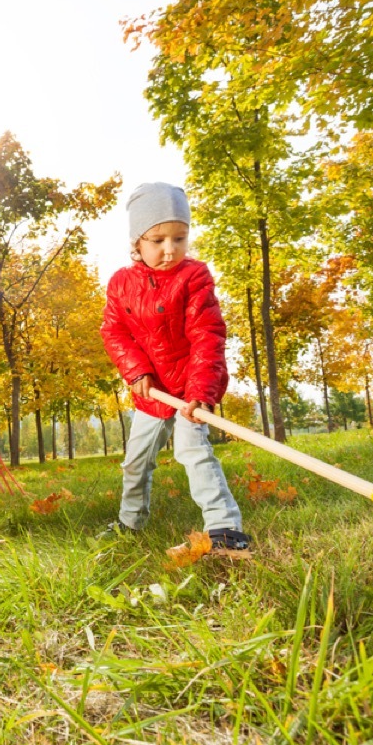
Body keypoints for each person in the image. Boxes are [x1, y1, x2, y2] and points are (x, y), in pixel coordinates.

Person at [98, 182, 250, 552]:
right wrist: (136, 372)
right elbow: (114, 331)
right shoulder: (120, 283)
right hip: (151, 392)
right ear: (137, 241)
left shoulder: (194, 277)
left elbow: (207, 335)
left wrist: (200, 393)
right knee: (136, 462)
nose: (170, 250)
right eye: (157, 240)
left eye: (179, 238)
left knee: (193, 452)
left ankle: (225, 530)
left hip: (188, 388)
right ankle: (130, 523)